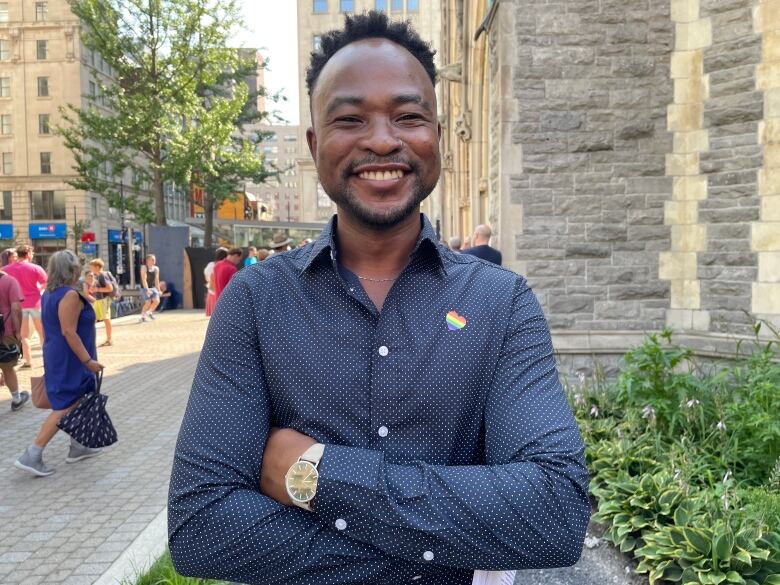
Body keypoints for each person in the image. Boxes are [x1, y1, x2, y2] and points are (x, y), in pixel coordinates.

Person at [169, 12, 589, 585]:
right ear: (315, 144)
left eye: (408, 116)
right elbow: (201, 530)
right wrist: (446, 554)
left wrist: (314, 474)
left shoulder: (501, 303)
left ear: (437, 133)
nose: (382, 140)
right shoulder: (257, 301)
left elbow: (556, 512)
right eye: (350, 119)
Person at [14, 250, 104, 477]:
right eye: (76, 267)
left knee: (79, 397)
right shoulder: (69, 296)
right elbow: (69, 331)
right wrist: (88, 360)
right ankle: (33, 453)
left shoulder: (50, 294)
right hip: (70, 357)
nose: (79, 270)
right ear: (70, 270)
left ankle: (78, 446)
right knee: (67, 403)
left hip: (60, 354)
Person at [4, 245, 47, 368]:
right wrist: (39, 288)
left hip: (19, 306)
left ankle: (28, 360)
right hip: (36, 304)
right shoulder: (35, 268)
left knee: (24, 335)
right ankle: (46, 359)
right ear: (28, 254)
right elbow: (46, 282)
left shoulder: (7, 269)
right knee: (42, 333)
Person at [0, 266, 29, 411]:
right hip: (5, 331)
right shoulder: (9, 281)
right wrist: (18, 331)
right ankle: (17, 399)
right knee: (7, 367)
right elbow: (16, 308)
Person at [87, 259, 114, 346]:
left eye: (92, 267)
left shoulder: (102, 275)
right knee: (93, 318)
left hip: (104, 299)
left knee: (106, 319)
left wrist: (97, 289)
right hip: (99, 300)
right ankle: (91, 339)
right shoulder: (97, 275)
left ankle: (109, 339)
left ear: (97, 267)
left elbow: (110, 288)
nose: (90, 268)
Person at [204, 248, 228, 317]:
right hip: (217, 292)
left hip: (212, 291)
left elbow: (206, 277)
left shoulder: (211, 265)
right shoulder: (221, 266)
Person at [139, 254, 161, 322]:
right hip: (144, 287)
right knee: (148, 302)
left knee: (157, 301)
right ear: (148, 260)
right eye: (153, 259)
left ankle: (149, 313)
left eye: (154, 259)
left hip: (152, 287)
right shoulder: (144, 267)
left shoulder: (156, 269)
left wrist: (159, 289)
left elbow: (157, 279)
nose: (154, 261)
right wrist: (147, 289)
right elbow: (144, 279)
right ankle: (142, 317)